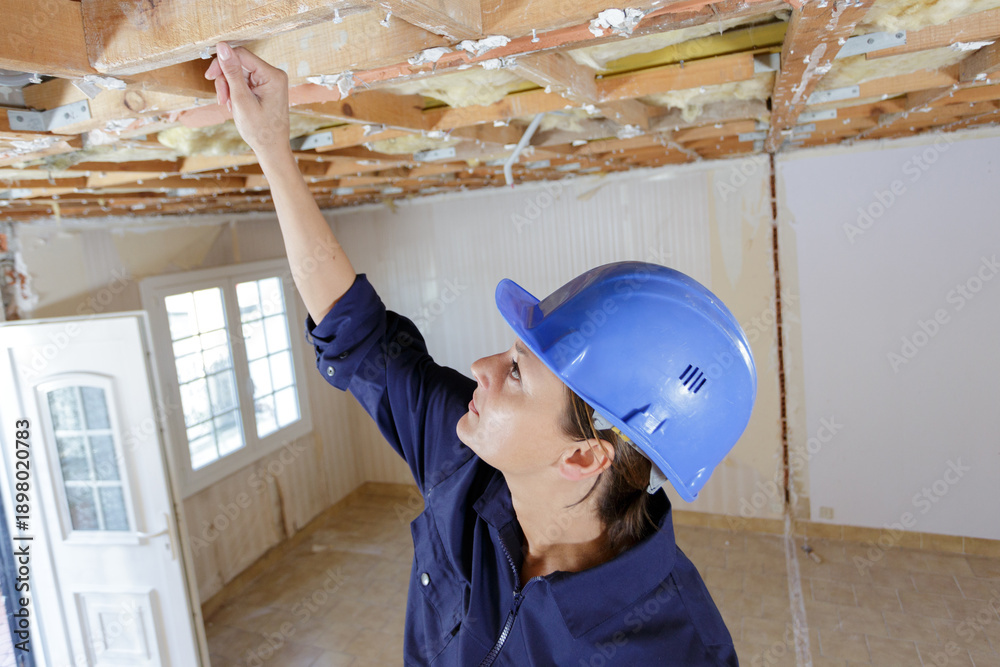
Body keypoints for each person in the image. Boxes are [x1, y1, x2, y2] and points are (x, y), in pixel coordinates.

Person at [207, 41, 756, 665]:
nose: (482, 368)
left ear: (582, 456)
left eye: (517, 373)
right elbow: (355, 332)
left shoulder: (676, 647)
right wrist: (272, 147)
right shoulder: (466, 466)